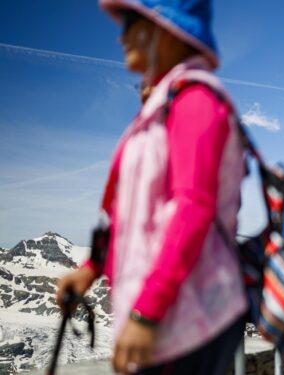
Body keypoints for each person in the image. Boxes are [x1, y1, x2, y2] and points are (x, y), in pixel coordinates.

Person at [56, 1, 248, 374]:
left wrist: (147, 312)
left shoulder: (196, 102)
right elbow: (131, 216)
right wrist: (92, 268)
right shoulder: (164, 106)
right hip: (173, 312)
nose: (121, 34)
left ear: (165, 27)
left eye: (130, 21)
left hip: (188, 317)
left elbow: (193, 207)